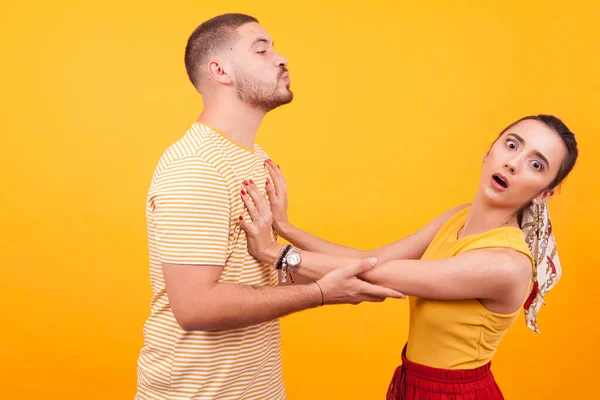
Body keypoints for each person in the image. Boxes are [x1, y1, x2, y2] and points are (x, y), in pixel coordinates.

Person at [135, 13, 404, 400]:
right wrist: (321, 293)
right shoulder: (195, 168)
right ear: (220, 70)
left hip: (258, 389)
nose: (281, 58)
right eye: (262, 50)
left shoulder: (254, 158)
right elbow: (195, 306)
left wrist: (305, 258)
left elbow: (262, 276)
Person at [239, 114, 578, 399]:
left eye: (536, 164)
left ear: (543, 193)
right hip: (413, 382)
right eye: (512, 144)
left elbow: (375, 275)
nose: (513, 163)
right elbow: (373, 260)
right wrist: (286, 227)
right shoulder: (458, 217)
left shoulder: (506, 264)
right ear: (490, 149)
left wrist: (276, 253)